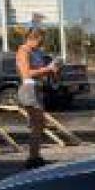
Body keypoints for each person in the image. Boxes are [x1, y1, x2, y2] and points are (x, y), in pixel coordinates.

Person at [15, 28, 58, 169]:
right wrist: (48, 69)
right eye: (40, 41)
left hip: (37, 89)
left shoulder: (37, 52)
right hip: (29, 89)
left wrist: (52, 70)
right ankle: (32, 158)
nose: (41, 44)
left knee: (40, 124)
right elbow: (27, 73)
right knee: (36, 123)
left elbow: (41, 71)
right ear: (32, 38)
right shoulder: (24, 51)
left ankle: (35, 155)